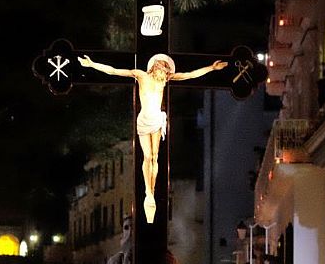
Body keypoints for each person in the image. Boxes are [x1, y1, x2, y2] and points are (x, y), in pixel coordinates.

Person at [78, 54, 227, 223]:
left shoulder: (165, 80)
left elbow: (190, 75)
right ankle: (148, 191)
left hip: (156, 119)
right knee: (147, 156)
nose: (163, 71)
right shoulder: (141, 76)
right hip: (144, 120)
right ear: (155, 67)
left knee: (155, 156)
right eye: (161, 67)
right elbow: (114, 71)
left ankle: (151, 192)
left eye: (165, 69)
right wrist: (92, 64)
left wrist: (212, 68)